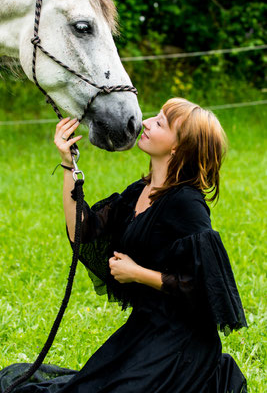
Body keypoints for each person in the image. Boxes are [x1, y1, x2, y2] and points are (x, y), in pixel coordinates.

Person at [0, 98, 248, 393]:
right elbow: (84, 230)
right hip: (145, 329)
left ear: (177, 147)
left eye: (160, 123)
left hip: (183, 344)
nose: (145, 122)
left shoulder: (187, 203)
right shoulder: (139, 192)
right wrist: (68, 164)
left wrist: (137, 273)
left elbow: (208, 287)